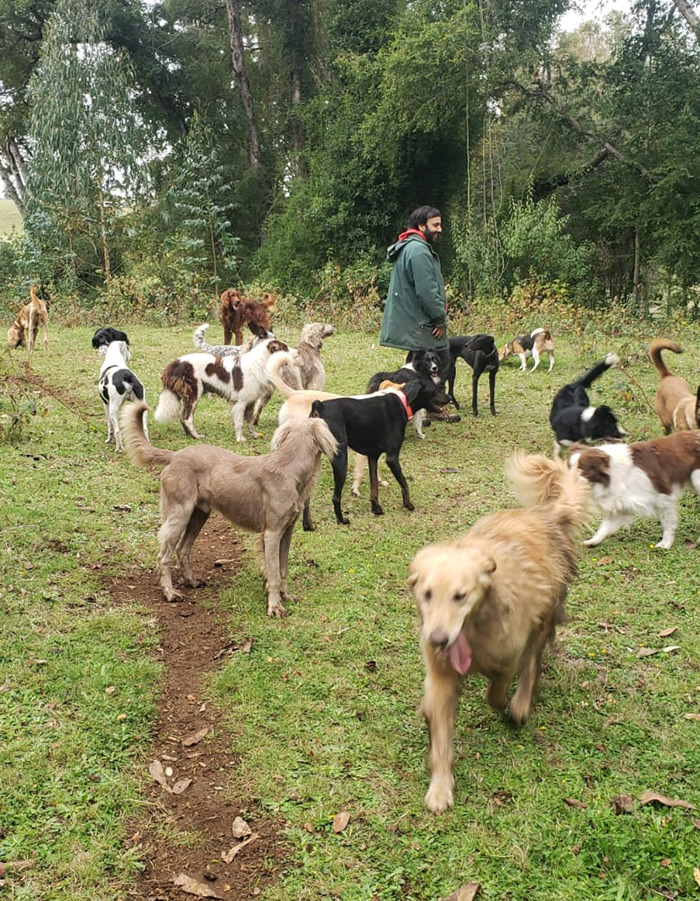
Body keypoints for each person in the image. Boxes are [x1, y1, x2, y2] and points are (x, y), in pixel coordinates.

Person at [379, 205, 449, 374]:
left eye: (440, 224)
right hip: (420, 323)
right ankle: (418, 399)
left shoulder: (410, 247)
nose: (440, 229)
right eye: (435, 225)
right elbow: (427, 292)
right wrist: (439, 319)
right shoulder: (418, 251)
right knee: (441, 361)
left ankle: (408, 398)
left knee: (416, 362)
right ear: (421, 226)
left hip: (414, 321)